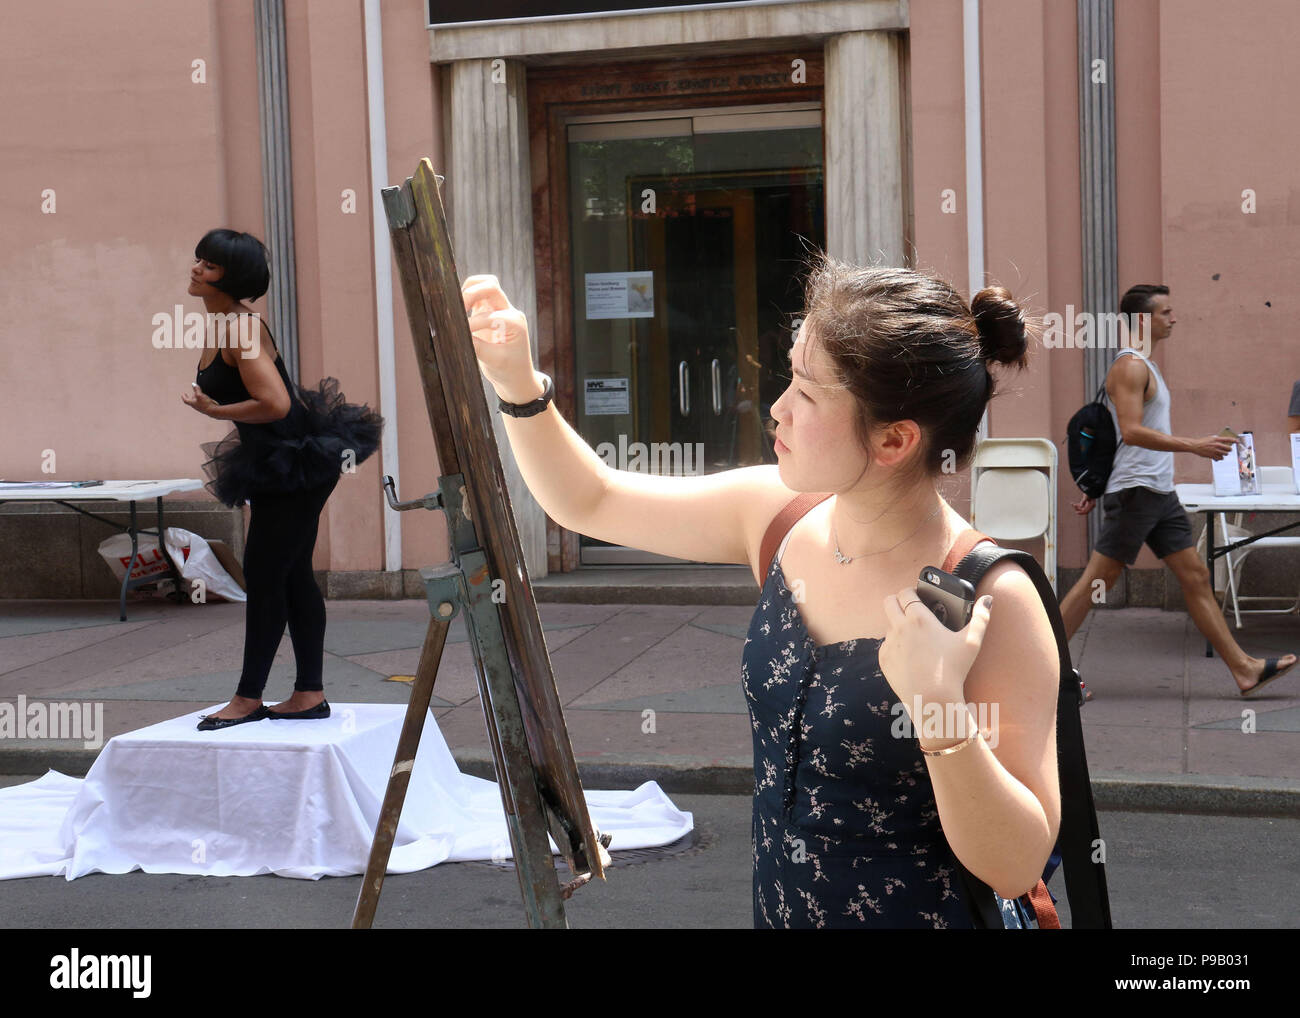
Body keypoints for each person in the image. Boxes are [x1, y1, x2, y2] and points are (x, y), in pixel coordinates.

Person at [465, 255, 1061, 928]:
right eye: (790, 377)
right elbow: (591, 499)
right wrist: (518, 383)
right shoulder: (780, 515)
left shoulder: (978, 594)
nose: (777, 406)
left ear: (893, 438)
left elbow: (1016, 864)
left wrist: (936, 708)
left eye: (807, 393)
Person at [181, 229, 383, 731]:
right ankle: (308, 694)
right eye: (198, 260)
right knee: (291, 575)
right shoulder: (226, 324)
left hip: (293, 465)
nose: (195, 268)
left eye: (208, 265)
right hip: (281, 462)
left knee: (266, 576)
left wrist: (216, 410)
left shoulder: (240, 330)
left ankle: (248, 698)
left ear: (232, 277)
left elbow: (276, 404)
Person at [1058, 284, 1297, 697]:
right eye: (1165, 312)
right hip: (1136, 492)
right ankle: (1041, 670)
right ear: (1141, 321)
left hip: (1156, 492)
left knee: (1197, 575)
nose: (1174, 318)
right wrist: (1195, 445)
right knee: (1097, 582)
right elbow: (1131, 432)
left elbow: (1120, 436)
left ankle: (1245, 670)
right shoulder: (1130, 367)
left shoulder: (1146, 367)